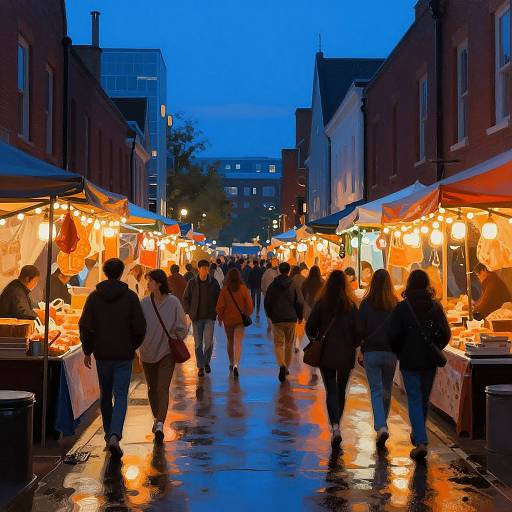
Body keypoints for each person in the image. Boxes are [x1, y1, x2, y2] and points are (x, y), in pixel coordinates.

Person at [79, 258, 147, 458]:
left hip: (102, 354)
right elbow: (140, 327)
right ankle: (115, 435)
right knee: (121, 395)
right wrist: (132, 345)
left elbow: (85, 326)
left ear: (105, 272)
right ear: (121, 273)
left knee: (105, 394)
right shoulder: (130, 297)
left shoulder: (94, 297)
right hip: (123, 355)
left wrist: (87, 349)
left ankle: (109, 433)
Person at [388, 269, 451, 460]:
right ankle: (419, 434)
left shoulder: (402, 308)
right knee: (423, 400)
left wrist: (400, 351)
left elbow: (392, 335)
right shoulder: (435, 306)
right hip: (429, 361)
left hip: (409, 361)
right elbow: (446, 333)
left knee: (415, 399)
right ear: (426, 285)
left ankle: (421, 440)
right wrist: (435, 347)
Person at [306, 270, 361, 449]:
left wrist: (317, 337)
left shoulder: (322, 304)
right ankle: (338, 423)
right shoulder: (351, 305)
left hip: (327, 353)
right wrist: (353, 343)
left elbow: (310, 326)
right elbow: (358, 331)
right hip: (346, 353)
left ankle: (335, 426)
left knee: (330, 390)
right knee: (341, 389)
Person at [140, 269, 188, 441]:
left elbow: (183, 325)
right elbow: (138, 325)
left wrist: (176, 337)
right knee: (152, 389)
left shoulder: (173, 302)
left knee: (162, 388)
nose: (147, 283)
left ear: (159, 283)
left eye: (150, 280)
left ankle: (160, 423)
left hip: (167, 352)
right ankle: (157, 419)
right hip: (147, 352)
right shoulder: (144, 303)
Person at [359, 269, 398, 449]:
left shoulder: (366, 304)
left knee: (375, 390)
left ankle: (381, 426)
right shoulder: (395, 304)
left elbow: (361, 330)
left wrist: (360, 348)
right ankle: (383, 423)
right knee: (387, 389)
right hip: (391, 352)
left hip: (371, 352)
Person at [264, 262, 304, 382]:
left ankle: (281, 365)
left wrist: (270, 315)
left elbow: (267, 301)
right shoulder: (293, 284)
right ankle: (286, 367)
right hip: (291, 318)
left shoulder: (273, 285)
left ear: (279, 270)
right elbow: (300, 302)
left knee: (278, 344)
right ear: (288, 270)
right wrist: (300, 316)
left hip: (277, 318)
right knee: (288, 344)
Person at [183, 259, 221, 377]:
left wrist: (218, 312)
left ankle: (206, 362)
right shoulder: (192, 283)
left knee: (209, 342)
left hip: (209, 317)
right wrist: (189, 311)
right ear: (198, 269)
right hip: (196, 317)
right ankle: (201, 366)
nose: (205, 270)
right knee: (198, 344)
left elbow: (219, 299)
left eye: (207, 268)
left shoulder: (214, 283)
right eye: (203, 268)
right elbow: (185, 298)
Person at [216, 268, 253, 378]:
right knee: (238, 342)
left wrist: (220, 317)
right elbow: (250, 306)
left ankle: (231, 363)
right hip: (240, 321)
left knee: (230, 341)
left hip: (228, 320)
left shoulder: (224, 290)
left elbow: (220, 306)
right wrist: (246, 314)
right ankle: (236, 364)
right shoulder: (243, 289)